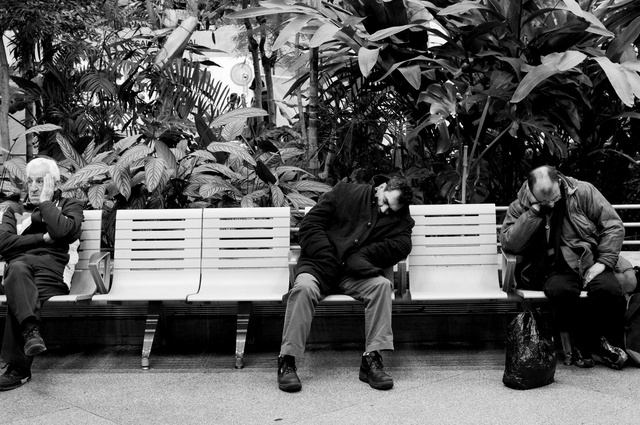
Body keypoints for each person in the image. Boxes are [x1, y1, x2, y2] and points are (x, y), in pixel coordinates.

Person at [278, 176, 414, 392]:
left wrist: (360, 257)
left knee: (381, 286)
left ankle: (372, 360)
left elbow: (402, 244)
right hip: (319, 266)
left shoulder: (401, 218)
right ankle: (287, 360)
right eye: (385, 202)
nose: (386, 210)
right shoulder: (345, 192)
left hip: (355, 274)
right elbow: (310, 225)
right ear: (380, 187)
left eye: (392, 209)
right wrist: (328, 256)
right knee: (303, 288)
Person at [501, 165, 628, 370]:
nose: (551, 203)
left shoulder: (583, 192)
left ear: (559, 182)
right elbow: (509, 243)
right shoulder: (520, 206)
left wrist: (603, 263)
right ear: (531, 193)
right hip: (551, 269)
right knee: (559, 291)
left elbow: (613, 225)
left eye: (554, 198)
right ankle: (593, 344)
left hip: (588, 261)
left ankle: (588, 342)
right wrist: (534, 211)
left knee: (610, 290)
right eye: (544, 201)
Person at [0, 158, 84, 391]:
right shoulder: (14, 210)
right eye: (30, 181)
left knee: (18, 285)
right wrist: (42, 238)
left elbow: (63, 231)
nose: (34, 187)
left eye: (40, 181)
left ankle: (19, 367)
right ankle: (30, 333)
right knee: (17, 270)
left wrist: (46, 202)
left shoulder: (70, 205)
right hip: (20, 270)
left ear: (54, 183)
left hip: (53, 272)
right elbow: (3, 244)